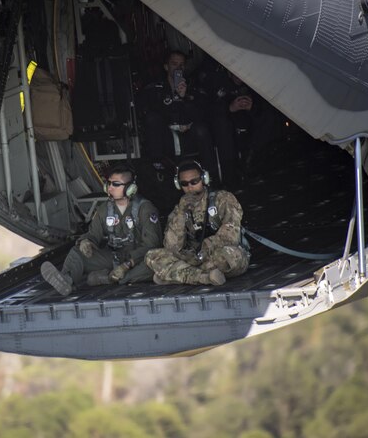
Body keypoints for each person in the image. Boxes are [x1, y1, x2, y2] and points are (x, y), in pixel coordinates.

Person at [41, 163, 163, 295]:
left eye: (116, 184)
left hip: (139, 259)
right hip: (114, 256)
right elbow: (93, 234)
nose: (110, 188)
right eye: (108, 183)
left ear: (130, 188)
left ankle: (109, 278)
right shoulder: (104, 209)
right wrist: (86, 241)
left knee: (155, 267)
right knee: (77, 253)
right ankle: (67, 279)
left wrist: (128, 264)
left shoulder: (145, 208)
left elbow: (152, 245)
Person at [145, 160, 250, 285]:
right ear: (178, 185)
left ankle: (179, 274)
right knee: (152, 256)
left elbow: (230, 236)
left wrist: (202, 252)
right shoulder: (179, 209)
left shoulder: (223, 199)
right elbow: (171, 246)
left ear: (204, 179)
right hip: (193, 257)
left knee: (227, 257)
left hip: (216, 253)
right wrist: (181, 214)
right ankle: (203, 277)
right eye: (184, 183)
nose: (190, 187)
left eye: (194, 182)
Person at [141, 50, 218, 177]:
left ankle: (210, 175)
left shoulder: (193, 86)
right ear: (166, 66)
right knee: (152, 119)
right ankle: (159, 170)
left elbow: (202, 113)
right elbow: (150, 114)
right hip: (165, 134)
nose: (178, 68)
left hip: (189, 132)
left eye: (181, 65)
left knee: (202, 129)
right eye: (174, 64)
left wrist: (184, 97)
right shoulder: (155, 88)